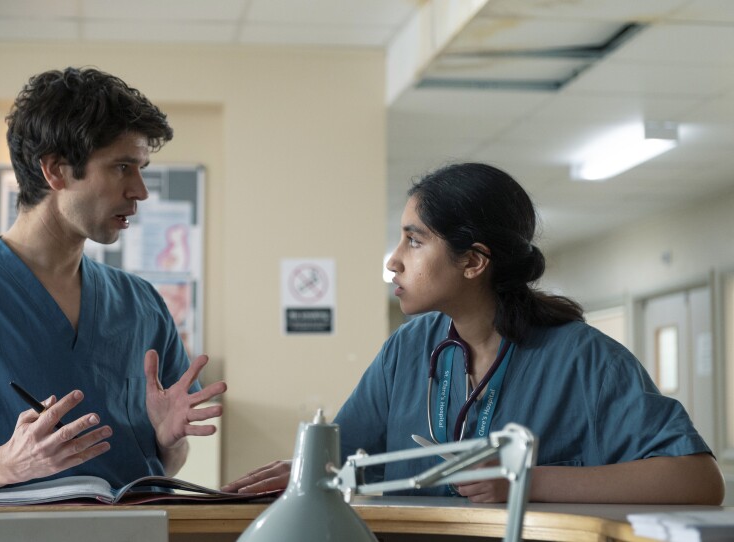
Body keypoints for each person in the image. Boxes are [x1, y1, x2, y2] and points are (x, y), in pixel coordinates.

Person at [222, 162, 725, 505]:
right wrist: (304, 469)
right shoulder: (408, 349)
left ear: (474, 261)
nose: (394, 260)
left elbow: (698, 480)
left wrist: (527, 482)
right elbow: (344, 455)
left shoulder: (584, 359)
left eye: (414, 241)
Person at [0, 67, 226, 497]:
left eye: (141, 168)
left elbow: (166, 460)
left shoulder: (141, 303)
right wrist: (10, 463)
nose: (141, 190)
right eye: (123, 167)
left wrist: (169, 439)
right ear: (55, 171)